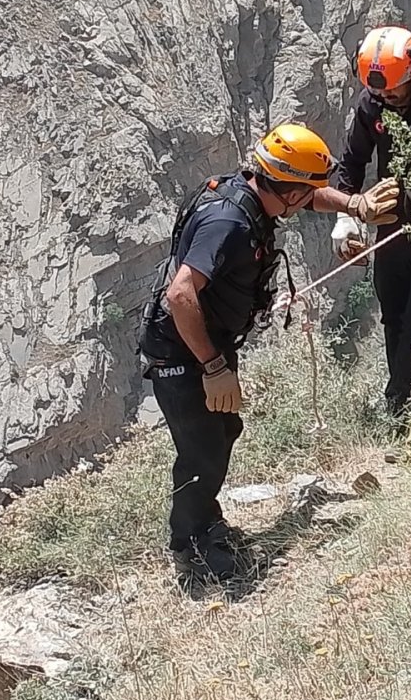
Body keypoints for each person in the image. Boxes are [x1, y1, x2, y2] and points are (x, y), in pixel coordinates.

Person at [138, 123, 359, 584]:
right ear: (287, 187)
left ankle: (205, 521)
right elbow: (181, 295)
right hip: (185, 352)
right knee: (201, 451)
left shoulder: (254, 194)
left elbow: (311, 196)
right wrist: (213, 366)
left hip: (203, 343)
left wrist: (353, 204)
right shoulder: (228, 223)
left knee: (223, 432)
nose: (310, 198)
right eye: (306, 190)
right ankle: (191, 546)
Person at [312, 25, 411, 417]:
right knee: (394, 316)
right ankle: (409, 399)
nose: (388, 98)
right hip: (392, 230)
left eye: (395, 90)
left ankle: (403, 406)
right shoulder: (373, 105)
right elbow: (352, 161)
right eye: (380, 92)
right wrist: (349, 214)